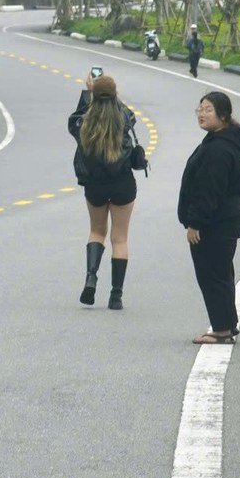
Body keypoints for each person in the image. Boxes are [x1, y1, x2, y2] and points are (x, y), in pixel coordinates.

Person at [178, 90, 240, 344]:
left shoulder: (219, 149)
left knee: (213, 275)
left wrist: (195, 222)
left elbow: (209, 190)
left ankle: (221, 329)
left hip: (215, 225)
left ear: (223, 115)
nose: (202, 114)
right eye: (200, 109)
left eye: (208, 109)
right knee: (221, 274)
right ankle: (226, 325)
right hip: (224, 222)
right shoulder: (222, 140)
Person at [69, 74, 140, 309]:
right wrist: (111, 95)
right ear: (115, 95)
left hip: (95, 184)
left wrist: (88, 93)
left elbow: (74, 119)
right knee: (119, 239)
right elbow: (130, 115)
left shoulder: (84, 124)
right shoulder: (123, 119)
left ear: (94, 97)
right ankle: (116, 295)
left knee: (96, 232)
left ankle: (91, 277)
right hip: (123, 184)